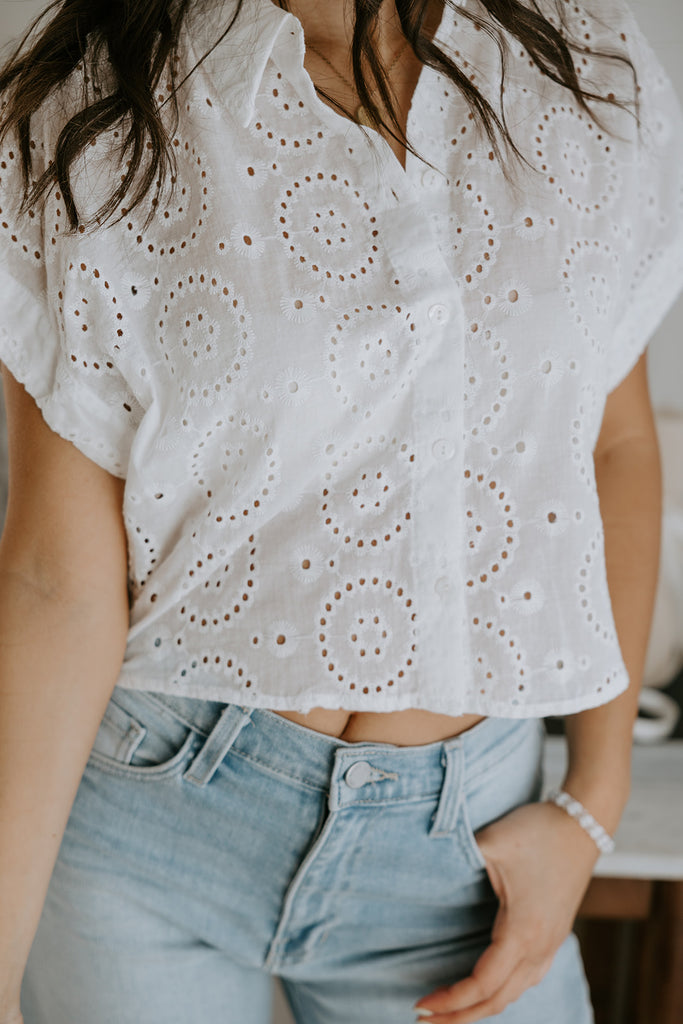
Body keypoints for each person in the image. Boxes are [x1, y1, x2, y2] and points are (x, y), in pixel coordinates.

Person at [0, 0, 681, 1020]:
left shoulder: (583, 71)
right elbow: (57, 576)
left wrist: (591, 805)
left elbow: (611, 444)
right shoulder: (88, 105)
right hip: (146, 813)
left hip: (461, 853)